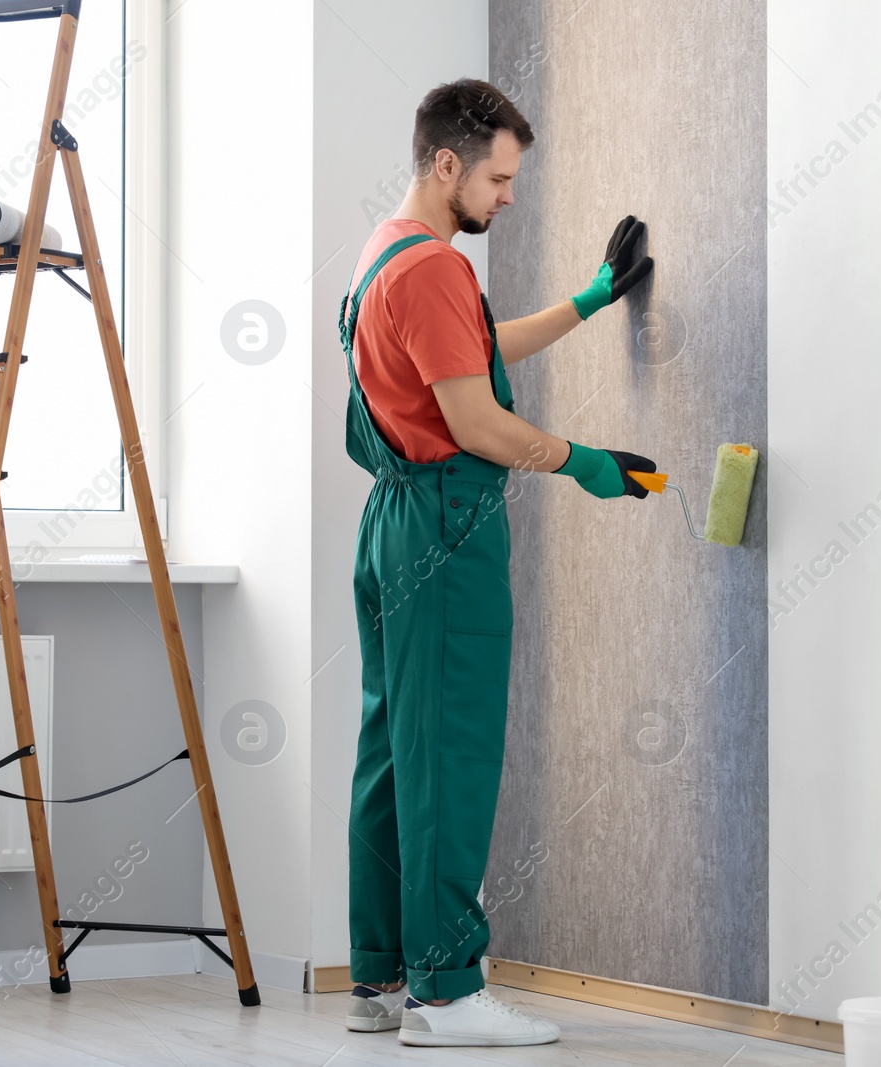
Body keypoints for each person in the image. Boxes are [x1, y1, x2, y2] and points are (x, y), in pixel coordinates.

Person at [339, 77, 656, 1048]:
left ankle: (383, 975)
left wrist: (589, 301)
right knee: (450, 756)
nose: (508, 197)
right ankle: (444, 993)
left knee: (395, 752)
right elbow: (475, 417)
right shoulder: (433, 267)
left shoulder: (383, 253)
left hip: (393, 522)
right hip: (444, 529)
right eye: (500, 178)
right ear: (448, 165)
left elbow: (468, 359)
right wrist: (586, 462)